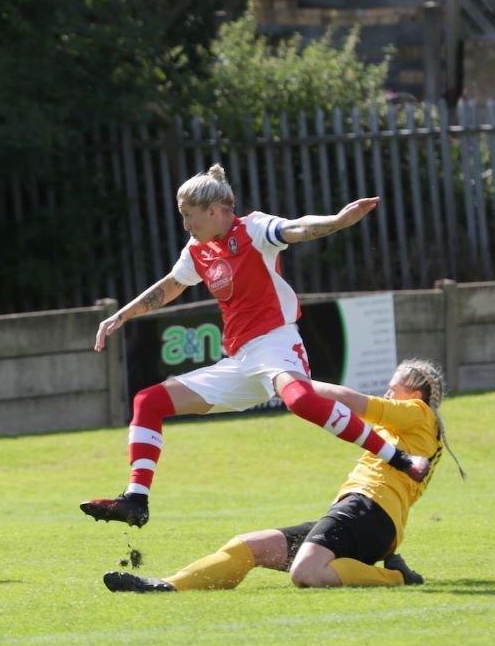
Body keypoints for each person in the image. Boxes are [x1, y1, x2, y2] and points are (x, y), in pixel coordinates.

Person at [82, 164, 430, 527]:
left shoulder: (253, 228)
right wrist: (122, 314)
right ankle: (136, 500)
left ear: (214, 211)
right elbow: (171, 285)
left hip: (275, 343)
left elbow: (295, 228)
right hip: (240, 360)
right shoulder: (198, 249)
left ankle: (399, 459)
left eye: (188, 216)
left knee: (301, 401)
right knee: (147, 401)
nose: (185, 225)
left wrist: (338, 221)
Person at [103, 358, 461, 592]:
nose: (387, 394)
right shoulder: (415, 430)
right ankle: (166, 586)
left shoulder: (417, 413)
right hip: (362, 519)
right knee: (247, 546)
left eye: (392, 389)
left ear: (415, 394)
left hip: (369, 512)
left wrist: (291, 385)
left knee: (306, 573)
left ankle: (395, 576)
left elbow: (353, 400)